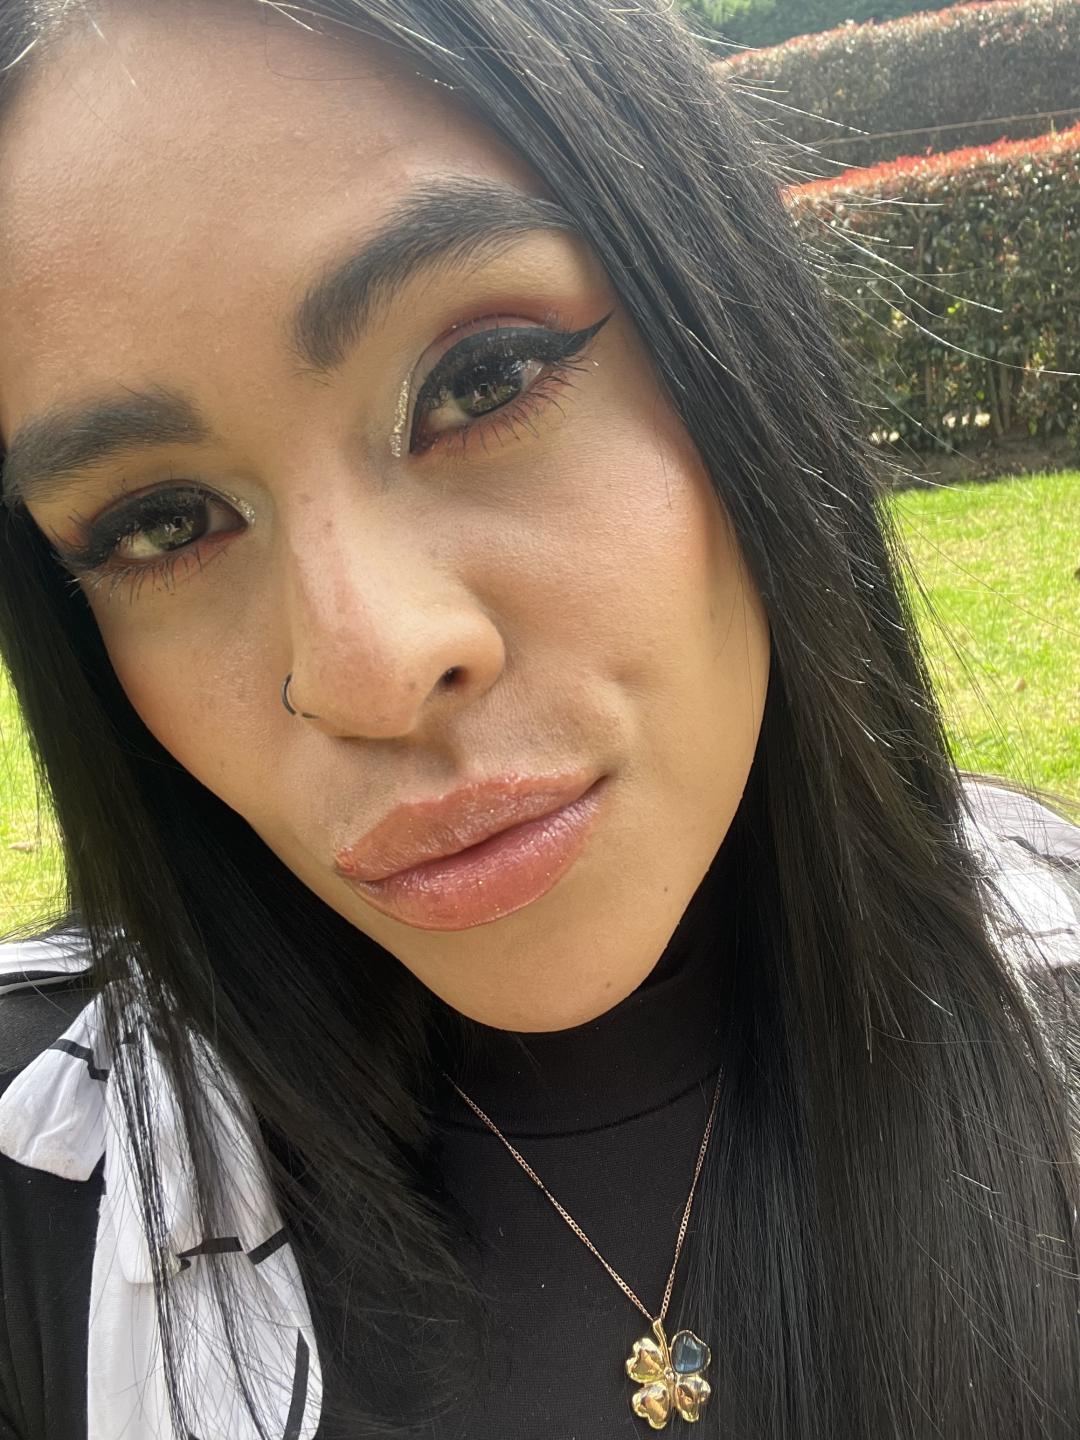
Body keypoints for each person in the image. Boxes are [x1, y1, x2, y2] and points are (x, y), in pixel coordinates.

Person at [0, 1, 1077, 1436]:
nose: (372, 668)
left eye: (483, 379)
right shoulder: (40, 1184)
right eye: (162, 522)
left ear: (722, 320)